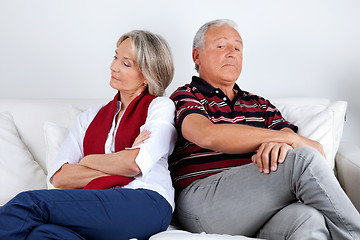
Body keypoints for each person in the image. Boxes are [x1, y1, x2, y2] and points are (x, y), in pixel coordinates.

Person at [169, 19, 360, 239]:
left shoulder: (260, 104)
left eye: (238, 48)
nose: (232, 53)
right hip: (202, 203)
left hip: (256, 207)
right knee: (301, 160)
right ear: (196, 56)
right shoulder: (186, 95)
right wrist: (277, 139)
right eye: (221, 46)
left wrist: (287, 140)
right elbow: (207, 134)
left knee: (308, 217)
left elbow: (315, 151)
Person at [0, 30, 177, 240]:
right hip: (96, 203)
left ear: (147, 76)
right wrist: (121, 160)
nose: (113, 67)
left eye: (126, 63)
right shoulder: (90, 117)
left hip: (145, 201)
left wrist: (87, 160)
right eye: (115, 57)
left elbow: (135, 164)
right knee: (43, 234)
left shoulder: (159, 107)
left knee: (31, 203)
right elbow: (60, 178)